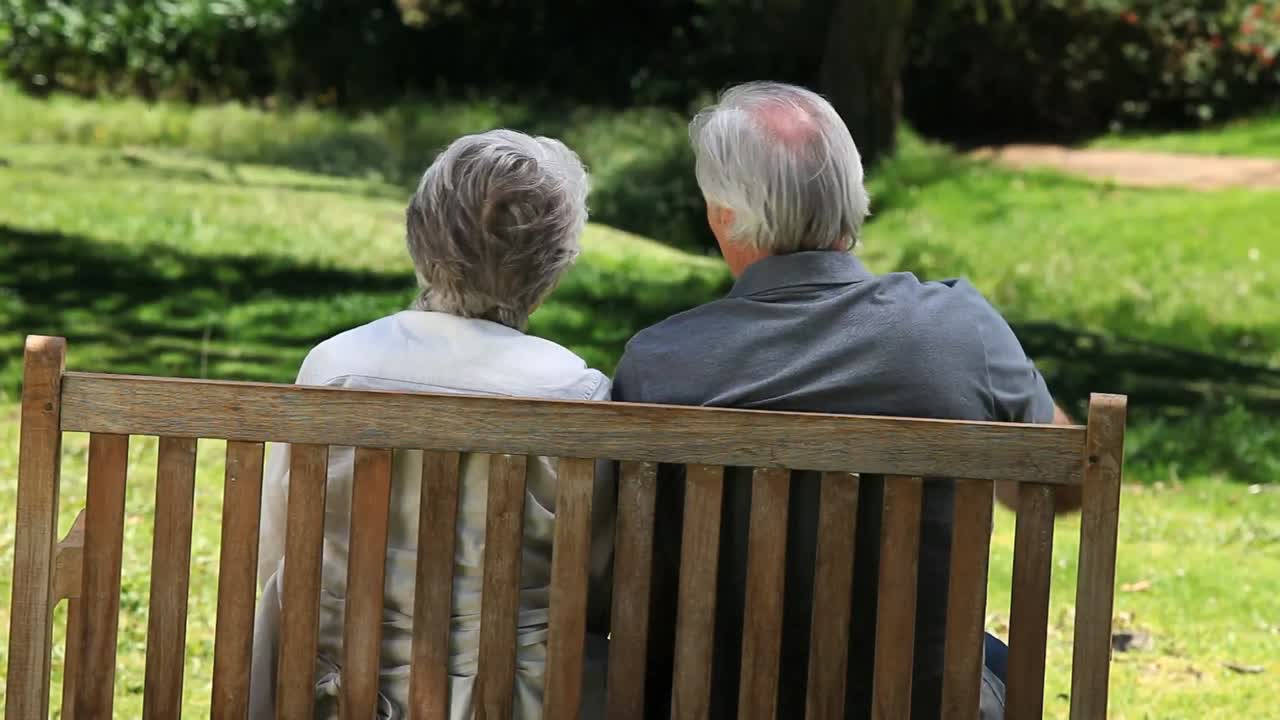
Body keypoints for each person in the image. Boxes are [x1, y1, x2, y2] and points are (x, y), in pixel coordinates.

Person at [609, 81, 1081, 719]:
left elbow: (633, 567)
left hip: (720, 702)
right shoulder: (960, 330)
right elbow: (1064, 484)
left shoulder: (658, 364)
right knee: (988, 660)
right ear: (854, 196)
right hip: (919, 703)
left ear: (722, 214)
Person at [249, 129, 615, 720]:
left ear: (419, 234)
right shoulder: (577, 392)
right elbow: (596, 582)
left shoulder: (336, 367)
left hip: (329, 693)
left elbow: (279, 547)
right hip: (517, 700)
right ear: (552, 265)